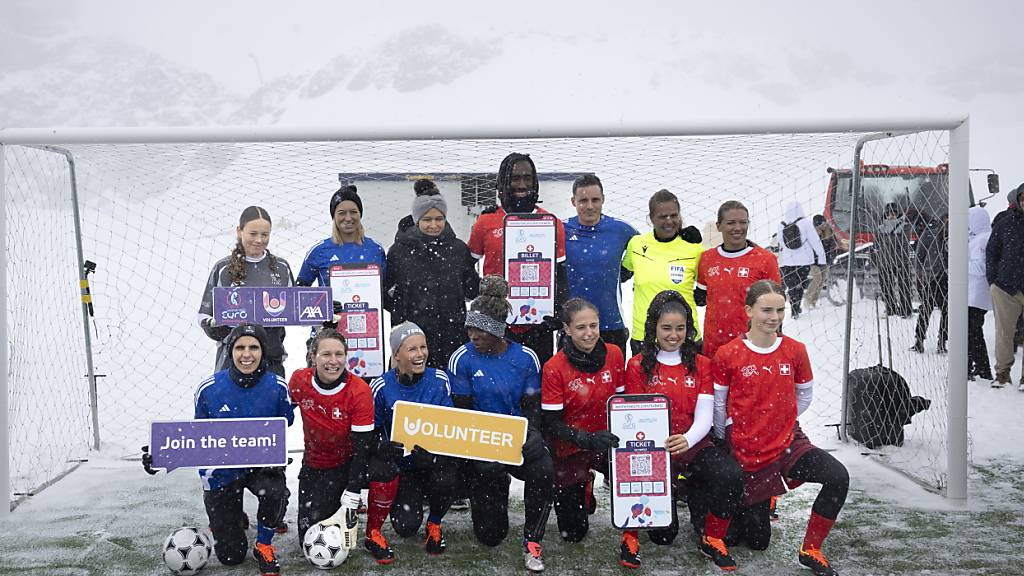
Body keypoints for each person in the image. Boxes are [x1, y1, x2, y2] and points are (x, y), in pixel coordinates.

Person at [712, 280, 848, 576]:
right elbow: (719, 406)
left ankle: (811, 549)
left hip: (787, 444)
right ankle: (734, 511)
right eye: (766, 310)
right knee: (753, 540)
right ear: (748, 310)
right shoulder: (728, 354)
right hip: (746, 451)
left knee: (837, 476)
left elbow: (805, 393)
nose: (773, 317)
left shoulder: (795, 350)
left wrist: (780, 419)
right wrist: (726, 441)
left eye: (779, 310)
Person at [623, 291, 744, 571]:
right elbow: (633, 418)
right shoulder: (638, 365)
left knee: (729, 474)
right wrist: (657, 445)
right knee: (664, 537)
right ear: (653, 327)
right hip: (653, 449)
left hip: (693, 443)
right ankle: (630, 536)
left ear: (689, 330)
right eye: (666, 328)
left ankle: (712, 537)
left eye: (680, 328)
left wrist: (687, 439)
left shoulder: (701, 364)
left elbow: (705, 414)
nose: (674, 335)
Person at [448, 276, 554, 572]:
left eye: (480, 328)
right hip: (482, 444)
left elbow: (532, 407)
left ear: (498, 329)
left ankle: (533, 540)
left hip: (516, 440)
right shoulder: (461, 360)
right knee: (491, 536)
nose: (473, 335)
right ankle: (495, 490)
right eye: (470, 327)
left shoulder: (526, 359)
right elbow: (462, 415)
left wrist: (533, 434)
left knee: (544, 469)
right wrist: (479, 454)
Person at [288, 328, 399, 564]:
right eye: (326, 354)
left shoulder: (358, 390)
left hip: (350, 462)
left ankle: (373, 532)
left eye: (339, 354)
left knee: (387, 468)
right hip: (316, 467)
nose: (333, 361)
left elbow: (362, 447)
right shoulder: (299, 381)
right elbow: (279, 416)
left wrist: (353, 488)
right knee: (309, 543)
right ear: (313, 356)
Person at [193, 324, 294, 575]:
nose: (246, 354)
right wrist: (159, 457)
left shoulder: (278, 387)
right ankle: (231, 518)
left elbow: (284, 424)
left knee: (275, 490)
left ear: (262, 351)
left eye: (253, 347)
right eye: (240, 347)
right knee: (231, 556)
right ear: (230, 351)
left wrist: (275, 460)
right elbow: (194, 438)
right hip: (223, 471)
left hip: (260, 466)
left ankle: (263, 543)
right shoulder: (208, 389)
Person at [467, 153, 568, 367]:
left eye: (527, 178)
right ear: (503, 181)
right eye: (514, 178)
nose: (522, 184)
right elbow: (467, 269)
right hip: (495, 324)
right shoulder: (486, 222)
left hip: (536, 324)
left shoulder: (552, 223)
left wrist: (556, 310)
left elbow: (560, 276)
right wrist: (484, 298)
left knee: (535, 388)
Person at [369, 322, 461, 555]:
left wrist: (435, 456)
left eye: (423, 347)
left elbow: (451, 424)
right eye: (412, 349)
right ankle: (384, 523)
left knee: (449, 473)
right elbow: (373, 430)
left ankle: (435, 522)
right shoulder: (381, 385)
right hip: (403, 468)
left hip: (432, 463)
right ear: (397, 355)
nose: (420, 354)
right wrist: (384, 446)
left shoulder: (439, 379)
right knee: (405, 527)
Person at [540, 299, 623, 550]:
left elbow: (622, 404)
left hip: (607, 440)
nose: (589, 333)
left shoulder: (614, 354)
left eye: (593, 326)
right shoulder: (554, 367)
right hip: (571, 445)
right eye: (581, 327)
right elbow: (551, 425)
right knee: (573, 532)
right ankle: (581, 483)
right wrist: (586, 439)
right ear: (567, 329)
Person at [297, 185, 388, 376]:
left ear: (360, 214)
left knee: (361, 398)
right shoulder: (319, 251)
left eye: (353, 212)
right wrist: (322, 305)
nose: (348, 218)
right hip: (326, 336)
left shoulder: (375, 250)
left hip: (366, 340)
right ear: (333, 216)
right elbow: (298, 296)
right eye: (341, 213)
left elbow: (384, 293)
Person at [385, 187, 480, 369]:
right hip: (413, 337)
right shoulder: (399, 251)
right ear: (416, 220)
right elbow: (385, 291)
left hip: (451, 334)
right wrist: (401, 312)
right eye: (427, 219)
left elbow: (471, 290)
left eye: (439, 219)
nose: (434, 225)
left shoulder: (458, 249)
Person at [197, 206, 295, 377]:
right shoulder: (223, 269)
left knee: (270, 404)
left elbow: (298, 309)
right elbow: (204, 314)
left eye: (264, 235)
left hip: (270, 362)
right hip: (232, 361)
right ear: (239, 231)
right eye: (253, 233)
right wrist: (212, 327)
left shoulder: (281, 268)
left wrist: (326, 312)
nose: (259, 240)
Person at [562, 174, 639, 358]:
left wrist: (682, 233)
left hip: (611, 324)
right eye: (583, 200)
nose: (590, 206)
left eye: (595, 200)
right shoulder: (560, 229)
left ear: (603, 199)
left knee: (613, 385)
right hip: (574, 327)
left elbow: (651, 246)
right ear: (573, 201)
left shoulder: (621, 229)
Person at [622, 189, 703, 356]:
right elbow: (622, 272)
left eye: (674, 216)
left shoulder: (694, 249)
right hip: (645, 336)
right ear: (651, 218)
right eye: (662, 216)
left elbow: (708, 287)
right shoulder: (636, 244)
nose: (669, 221)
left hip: (684, 335)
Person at [696, 200, 781, 359]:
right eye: (731, 223)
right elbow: (699, 298)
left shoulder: (765, 259)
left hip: (752, 347)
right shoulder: (707, 259)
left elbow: (775, 309)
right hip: (714, 347)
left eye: (743, 222)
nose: (738, 228)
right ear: (718, 226)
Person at [986, 183, 1024, 388]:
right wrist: (993, 281)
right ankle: (1002, 373)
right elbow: (991, 252)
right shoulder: (1005, 223)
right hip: (1006, 287)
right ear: (1017, 199)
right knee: (1004, 332)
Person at [777, 201, 826, 319]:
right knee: (801, 284)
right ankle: (796, 306)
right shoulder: (806, 223)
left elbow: (781, 242)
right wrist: (822, 259)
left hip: (787, 262)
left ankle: (794, 305)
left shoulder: (781, 225)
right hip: (804, 261)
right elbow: (816, 242)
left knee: (792, 285)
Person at [910, 215, 949, 354]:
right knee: (926, 309)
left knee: (947, 311)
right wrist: (920, 277)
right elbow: (919, 256)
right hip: (931, 278)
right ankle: (919, 340)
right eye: (946, 222)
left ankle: (942, 342)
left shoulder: (958, 235)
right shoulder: (929, 234)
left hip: (949, 280)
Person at [872, 203, 913, 317]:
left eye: (894, 213)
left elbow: (904, 243)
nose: (892, 215)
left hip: (901, 262)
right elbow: (877, 245)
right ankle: (890, 308)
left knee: (903, 286)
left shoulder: (905, 226)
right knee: (886, 287)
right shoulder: (880, 228)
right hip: (884, 262)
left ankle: (906, 309)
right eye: (889, 213)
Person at [968, 206, 994, 381]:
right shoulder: (980, 238)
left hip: (976, 295)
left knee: (972, 332)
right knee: (974, 332)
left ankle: (979, 368)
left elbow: (980, 267)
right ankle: (980, 366)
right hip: (975, 294)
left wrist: (959, 263)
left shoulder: (982, 240)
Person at [804, 214, 840, 310]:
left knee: (821, 281)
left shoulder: (829, 231)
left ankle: (813, 302)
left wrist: (827, 245)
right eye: (819, 226)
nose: (822, 227)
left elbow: (834, 244)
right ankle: (807, 300)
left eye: (823, 224)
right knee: (817, 278)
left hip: (825, 260)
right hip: (813, 261)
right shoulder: (811, 233)